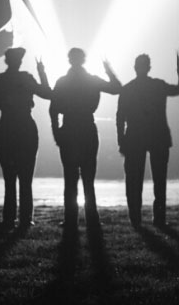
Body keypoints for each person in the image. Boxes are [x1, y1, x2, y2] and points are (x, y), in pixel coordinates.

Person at [48, 47, 121, 231]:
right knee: (89, 178)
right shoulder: (92, 80)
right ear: (84, 60)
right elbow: (116, 88)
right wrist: (108, 69)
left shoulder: (62, 81)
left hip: (69, 128)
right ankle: (92, 219)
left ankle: (71, 219)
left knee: (70, 178)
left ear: (69, 60)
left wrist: (57, 132)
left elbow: (53, 109)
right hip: (87, 128)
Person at [116, 52, 179, 228]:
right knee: (159, 179)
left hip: (134, 138)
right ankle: (159, 218)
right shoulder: (158, 85)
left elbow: (120, 117)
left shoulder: (127, 89)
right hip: (158, 136)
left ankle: (135, 218)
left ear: (135, 68)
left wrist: (121, 140)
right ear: (149, 67)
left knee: (134, 180)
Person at [0, 47, 52, 229]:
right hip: (26, 127)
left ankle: (9, 218)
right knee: (26, 178)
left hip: (6, 127)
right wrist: (42, 72)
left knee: (9, 178)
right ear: (20, 61)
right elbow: (47, 93)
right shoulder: (26, 78)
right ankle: (25, 218)